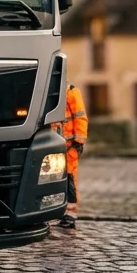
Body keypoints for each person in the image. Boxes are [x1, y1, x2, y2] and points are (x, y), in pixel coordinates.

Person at [50, 81, 87, 228]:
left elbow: (80, 117)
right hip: (54, 145)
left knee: (69, 178)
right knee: (54, 179)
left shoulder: (71, 92)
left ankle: (70, 214)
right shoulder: (50, 92)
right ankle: (57, 211)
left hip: (69, 146)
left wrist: (79, 141)